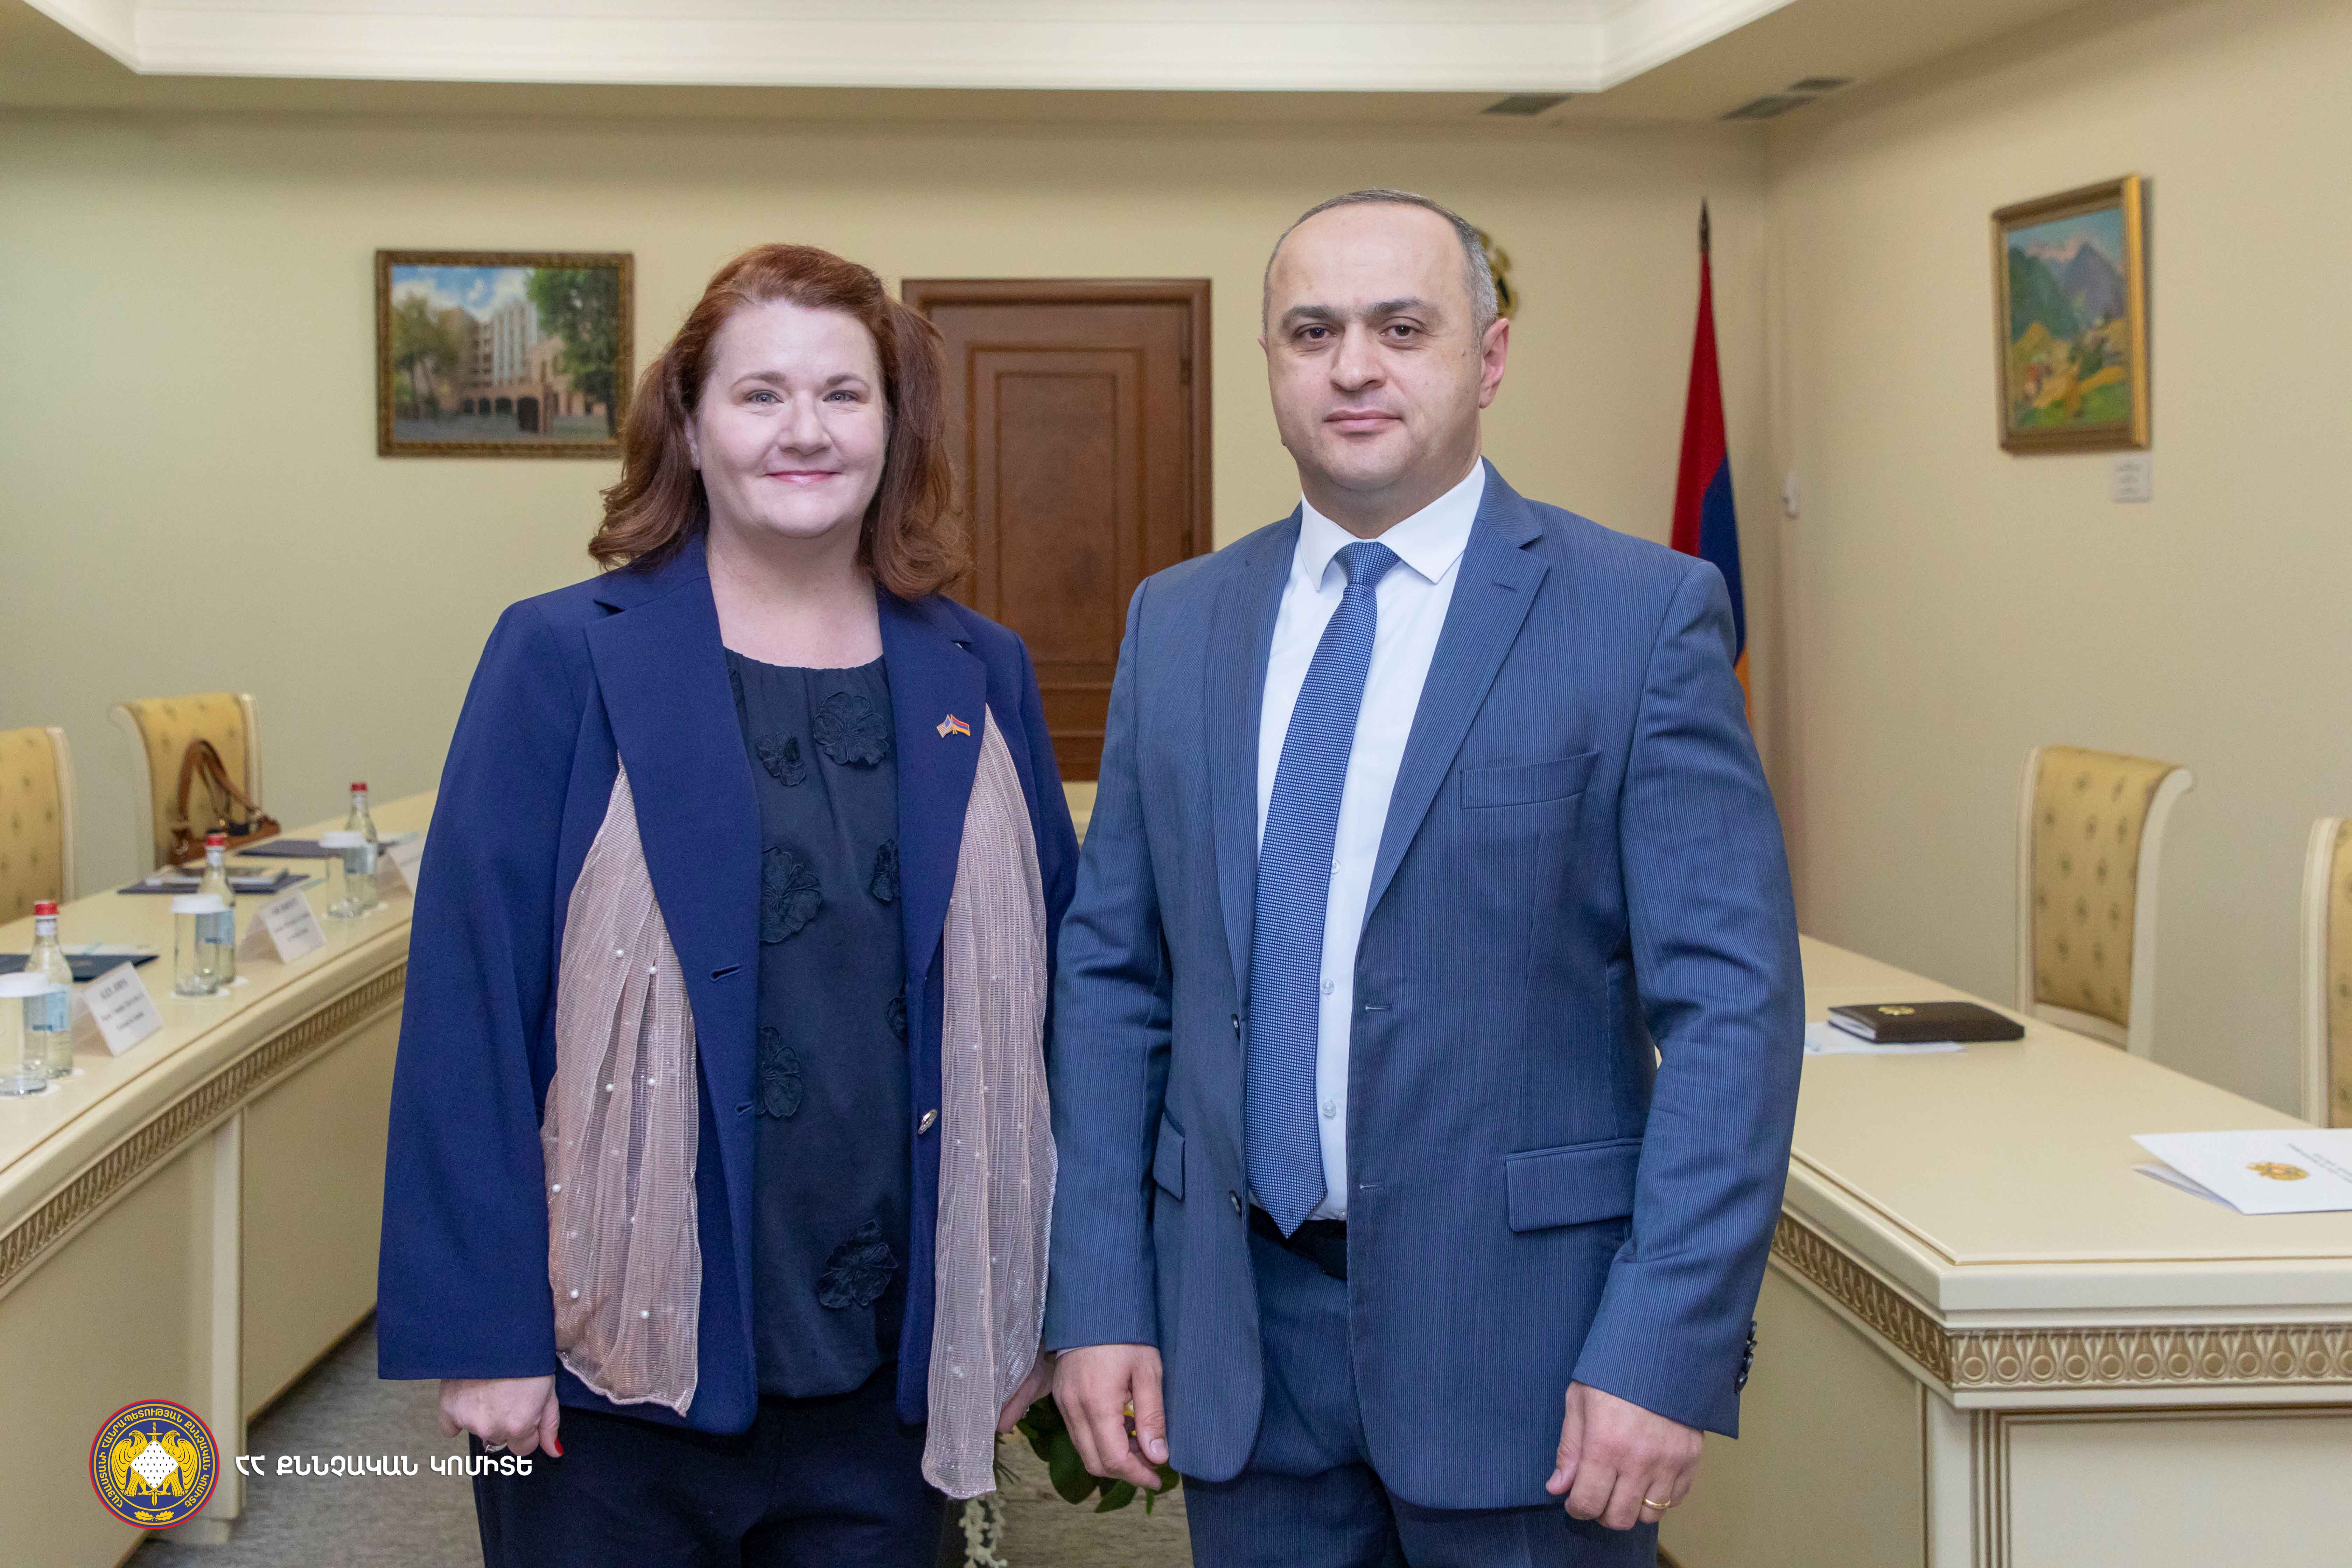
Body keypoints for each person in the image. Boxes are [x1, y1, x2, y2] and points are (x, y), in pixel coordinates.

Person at [1045, 189, 1802, 1566]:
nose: (1354, 367)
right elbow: (1114, 977)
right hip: (1243, 1338)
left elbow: (1731, 1015)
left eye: (1403, 329)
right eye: (1313, 331)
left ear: (1489, 358)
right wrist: (1099, 1293)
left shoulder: (1642, 616)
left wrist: (1665, 1342)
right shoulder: (1179, 622)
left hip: (1534, 1348)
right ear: (1270, 363)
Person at [377, 242, 1076, 1567]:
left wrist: (1036, 1301)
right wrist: (483, 1333)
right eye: (760, 395)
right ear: (690, 430)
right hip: (612, 1368)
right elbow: (470, 1004)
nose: (804, 431)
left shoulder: (981, 672)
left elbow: (1054, 1003)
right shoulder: (561, 654)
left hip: (891, 1372)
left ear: (894, 429)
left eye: (844, 395)